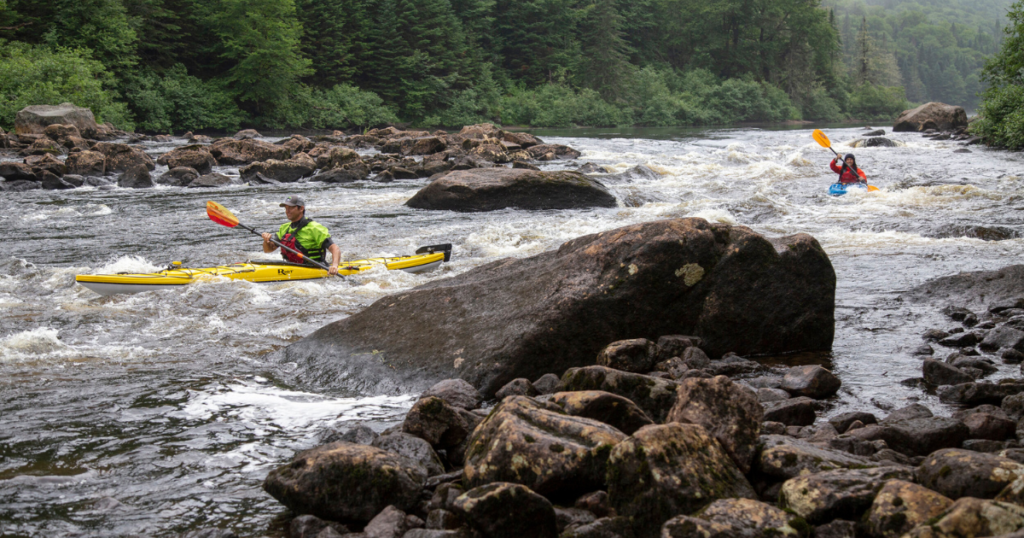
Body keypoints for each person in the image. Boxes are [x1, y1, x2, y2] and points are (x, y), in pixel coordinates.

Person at [261, 195, 340, 275]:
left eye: (291, 208)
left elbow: (335, 248)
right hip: (291, 268)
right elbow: (268, 250)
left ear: (301, 209)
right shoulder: (284, 228)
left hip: (314, 267)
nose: (287, 211)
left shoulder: (314, 228)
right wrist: (266, 240)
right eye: (286, 208)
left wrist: (334, 266)